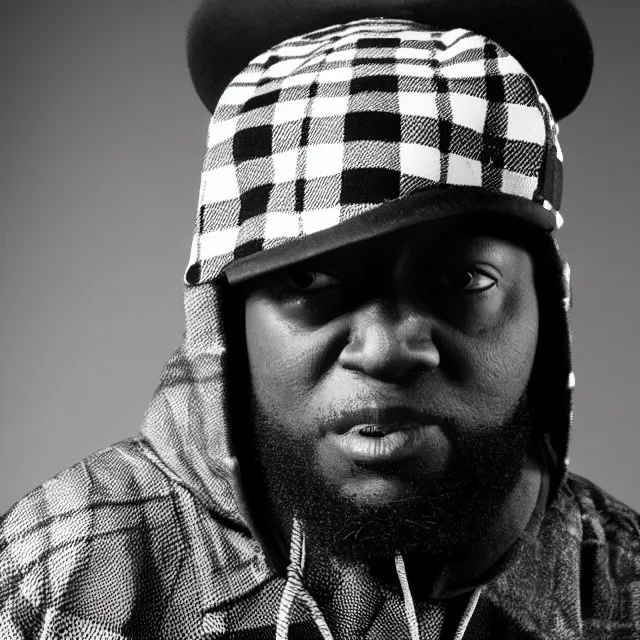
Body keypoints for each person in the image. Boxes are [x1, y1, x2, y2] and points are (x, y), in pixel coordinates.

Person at [1, 0, 639, 638]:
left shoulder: (621, 581)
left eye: (465, 280)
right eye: (307, 280)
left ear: (548, 309)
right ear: (221, 318)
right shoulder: (60, 570)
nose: (387, 349)